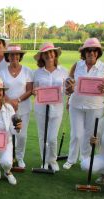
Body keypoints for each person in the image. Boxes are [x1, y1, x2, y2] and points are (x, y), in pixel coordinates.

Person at [63, 38, 104, 170]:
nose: (91, 53)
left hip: (95, 106)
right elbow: (69, 80)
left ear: (98, 52)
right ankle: (71, 159)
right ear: (84, 52)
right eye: (88, 50)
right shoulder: (77, 65)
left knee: (90, 135)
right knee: (76, 134)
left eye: (94, 50)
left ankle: (85, 158)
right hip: (76, 104)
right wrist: (69, 86)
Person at [33, 42, 68, 172]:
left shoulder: (63, 71)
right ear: (42, 56)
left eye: (51, 52)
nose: (49, 55)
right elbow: (34, 89)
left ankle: (52, 160)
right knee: (42, 136)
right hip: (41, 109)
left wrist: (68, 90)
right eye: (46, 53)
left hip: (57, 109)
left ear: (55, 54)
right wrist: (35, 92)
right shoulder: (37, 73)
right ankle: (44, 161)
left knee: (52, 138)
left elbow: (67, 89)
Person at [0, 45, 33, 169]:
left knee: (21, 135)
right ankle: (9, 156)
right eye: (11, 55)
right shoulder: (2, 72)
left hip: (23, 107)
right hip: (7, 107)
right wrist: (10, 102)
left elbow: (30, 90)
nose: (14, 57)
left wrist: (17, 100)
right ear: (8, 56)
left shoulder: (28, 71)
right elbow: (1, 90)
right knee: (9, 133)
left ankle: (20, 158)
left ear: (20, 56)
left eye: (16, 54)